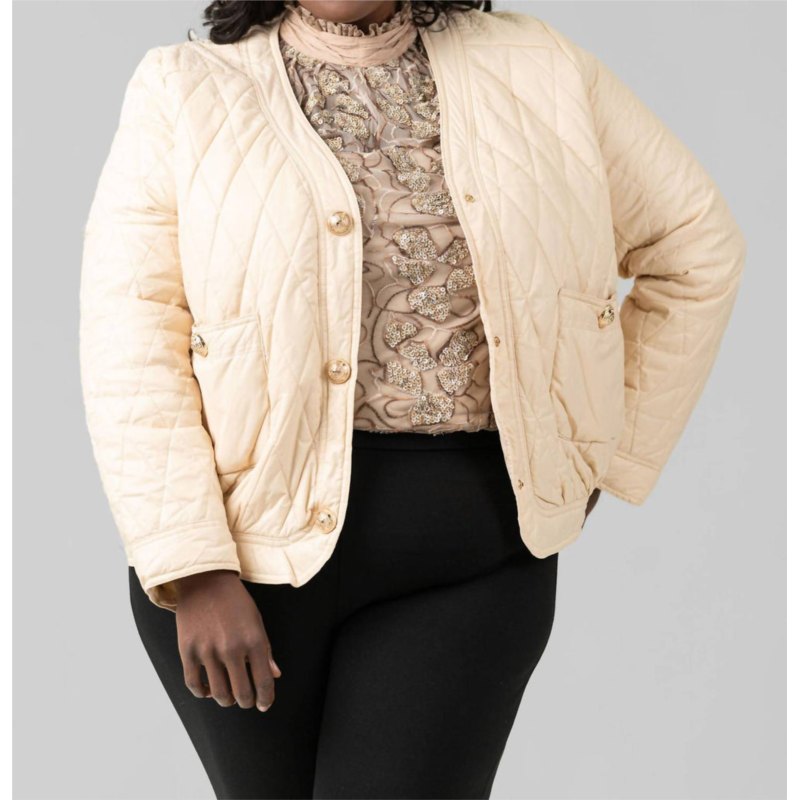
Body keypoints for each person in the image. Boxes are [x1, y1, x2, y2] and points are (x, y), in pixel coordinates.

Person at [79, 0, 746, 797]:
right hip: (245, 562)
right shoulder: (183, 88)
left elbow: (697, 245)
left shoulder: (538, 66)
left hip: (472, 556)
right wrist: (192, 569)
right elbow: (130, 333)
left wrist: (600, 450)